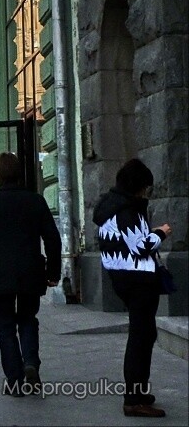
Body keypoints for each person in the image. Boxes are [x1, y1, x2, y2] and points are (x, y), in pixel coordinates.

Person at [0, 152, 61, 397]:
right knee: (28, 319)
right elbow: (52, 239)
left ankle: (14, 379)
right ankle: (31, 363)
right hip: (30, 271)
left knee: (5, 326)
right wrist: (53, 272)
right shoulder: (36, 201)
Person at [92, 158, 173, 418]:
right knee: (141, 337)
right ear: (137, 186)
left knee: (143, 335)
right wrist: (161, 232)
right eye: (145, 188)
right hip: (137, 279)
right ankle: (134, 398)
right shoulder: (125, 210)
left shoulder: (110, 206)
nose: (146, 193)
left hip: (123, 277)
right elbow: (140, 246)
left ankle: (138, 392)